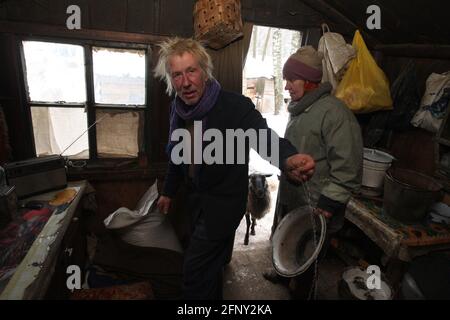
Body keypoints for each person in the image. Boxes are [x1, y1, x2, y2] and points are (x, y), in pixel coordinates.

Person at [153, 37, 316, 300]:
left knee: (194, 274)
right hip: (196, 204)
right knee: (211, 270)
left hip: (224, 206)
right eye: (177, 75)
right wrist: (168, 192)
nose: (185, 82)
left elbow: (262, 137)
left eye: (191, 71)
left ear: (204, 72)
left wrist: (287, 159)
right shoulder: (178, 111)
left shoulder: (235, 107)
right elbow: (178, 157)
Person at [265, 46, 363, 298]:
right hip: (293, 196)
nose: (286, 86)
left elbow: (348, 166)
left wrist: (329, 203)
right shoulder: (300, 108)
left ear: (309, 81)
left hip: (317, 204)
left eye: (291, 79)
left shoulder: (335, 114)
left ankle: (301, 292)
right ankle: (284, 275)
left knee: (307, 255)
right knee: (286, 242)